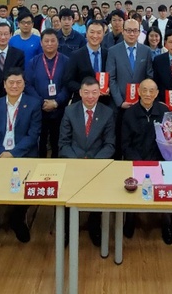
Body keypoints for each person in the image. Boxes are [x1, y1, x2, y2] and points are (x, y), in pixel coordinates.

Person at [0, 68, 42, 243]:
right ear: (4, 85)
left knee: (32, 187)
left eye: (19, 83)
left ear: (24, 85)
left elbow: (33, 135)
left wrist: (13, 154)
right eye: (11, 83)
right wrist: (0, 152)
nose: (15, 86)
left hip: (23, 154)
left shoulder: (33, 105)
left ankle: (17, 219)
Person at [58, 76, 116, 246]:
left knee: (98, 192)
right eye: (86, 92)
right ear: (80, 93)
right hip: (73, 161)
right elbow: (63, 143)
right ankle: (67, 229)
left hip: (97, 162)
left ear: (99, 93)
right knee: (68, 192)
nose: (90, 96)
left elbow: (110, 145)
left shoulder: (107, 113)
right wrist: (78, 162)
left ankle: (94, 224)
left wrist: (93, 163)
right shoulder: (70, 111)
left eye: (94, 92)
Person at [121, 78, 172, 244]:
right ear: (138, 91)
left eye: (152, 91)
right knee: (131, 185)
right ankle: (130, 217)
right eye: (144, 90)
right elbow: (125, 143)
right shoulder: (129, 113)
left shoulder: (165, 112)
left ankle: (167, 222)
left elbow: (171, 140)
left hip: (159, 160)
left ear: (157, 93)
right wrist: (139, 162)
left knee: (166, 184)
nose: (148, 94)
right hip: (135, 159)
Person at [106, 18, 154, 157]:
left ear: (139, 32)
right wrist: (120, 102)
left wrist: (143, 98)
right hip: (119, 104)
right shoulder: (113, 51)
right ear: (123, 31)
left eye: (135, 31)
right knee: (119, 139)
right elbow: (111, 78)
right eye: (128, 30)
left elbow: (149, 76)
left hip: (140, 104)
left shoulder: (146, 51)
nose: (132, 34)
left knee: (136, 141)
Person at [25, 29, 70, 158]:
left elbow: (68, 85)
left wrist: (56, 102)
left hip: (60, 109)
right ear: (41, 43)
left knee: (58, 141)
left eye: (52, 41)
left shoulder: (66, 61)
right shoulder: (33, 62)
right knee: (41, 142)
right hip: (39, 109)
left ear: (58, 42)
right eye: (46, 41)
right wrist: (41, 102)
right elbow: (28, 85)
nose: (49, 44)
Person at [62, 20, 110, 105]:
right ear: (86, 33)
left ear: (103, 34)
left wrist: (109, 88)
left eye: (99, 33)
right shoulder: (76, 55)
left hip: (104, 102)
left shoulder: (108, 54)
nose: (95, 36)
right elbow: (68, 81)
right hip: (81, 102)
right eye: (92, 32)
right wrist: (85, 91)